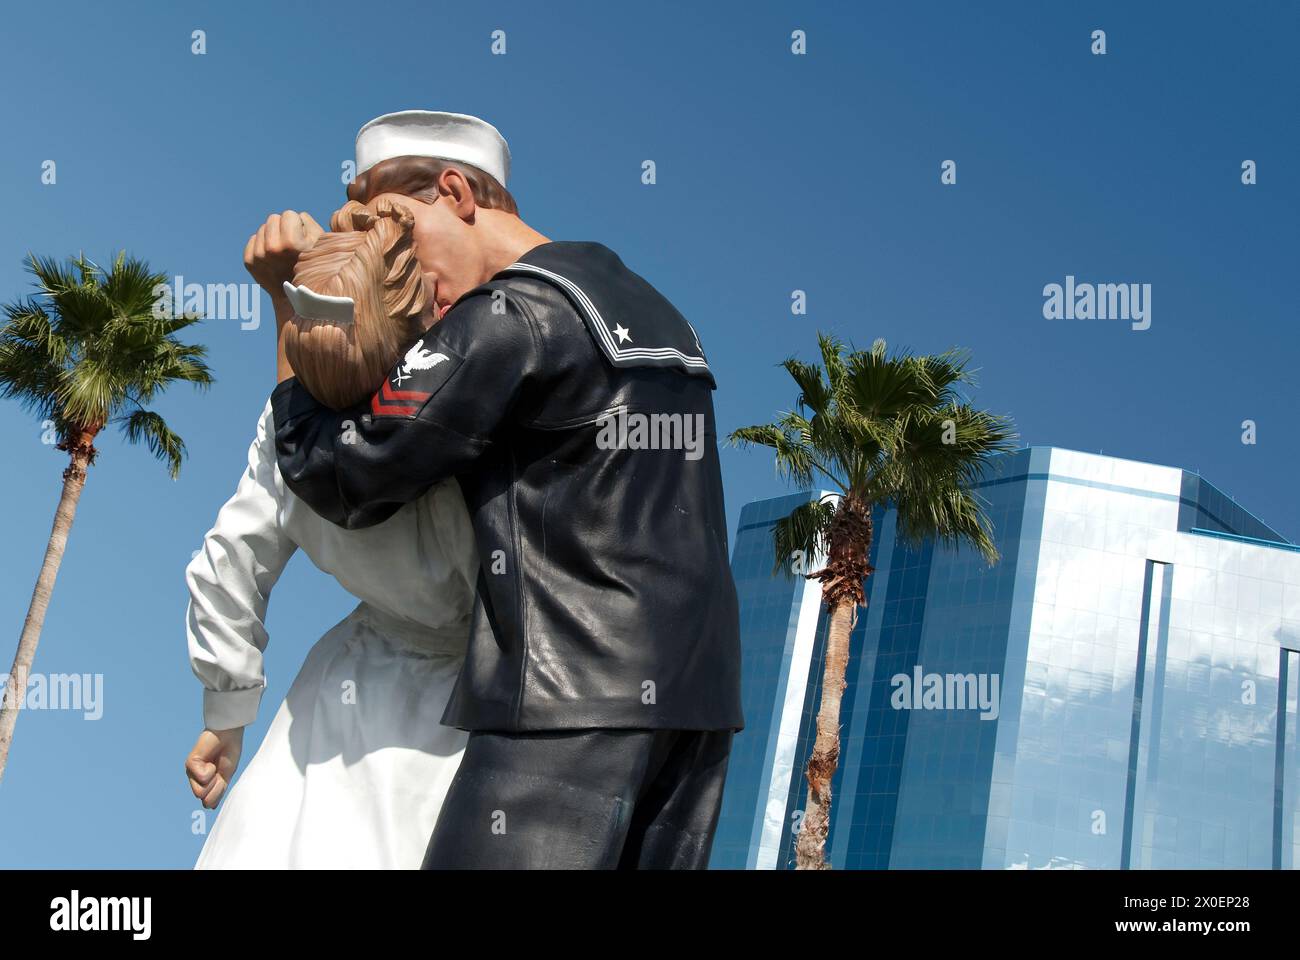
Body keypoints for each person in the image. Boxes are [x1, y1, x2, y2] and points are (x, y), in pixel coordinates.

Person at [251, 109, 745, 869]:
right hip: (698, 715)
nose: (408, 279)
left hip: (567, 702)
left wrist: (291, 309)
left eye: (401, 231)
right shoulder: (649, 305)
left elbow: (346, 473)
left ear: (456, 192)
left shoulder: (511, 313)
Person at [184, 197, 478, 868]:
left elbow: (230, 563)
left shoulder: (288, 437)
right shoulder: (469, 444)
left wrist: (225, 716)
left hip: (339, 696)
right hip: (464, 717)